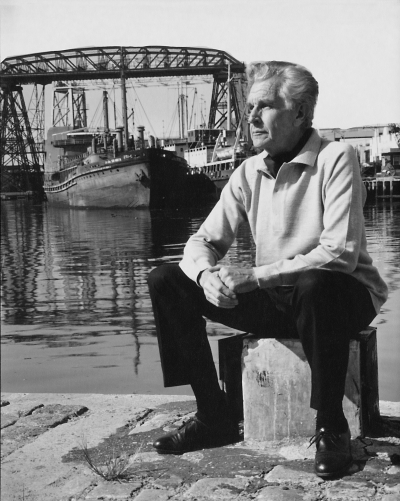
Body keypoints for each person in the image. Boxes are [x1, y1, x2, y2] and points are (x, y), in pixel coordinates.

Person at [147, 61, 388, 479]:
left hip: (342, 295)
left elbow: (340, 254)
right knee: (166, 280)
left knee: (315, 282)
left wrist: (254, 277)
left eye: (264, 106)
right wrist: (206, 276)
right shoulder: (248, 171)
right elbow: (201, 241)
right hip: (281, 299)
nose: (252, 117)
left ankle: (332, 425)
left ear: (299, 113)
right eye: (250, 107)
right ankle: (212, 415)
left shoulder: (336, 157)